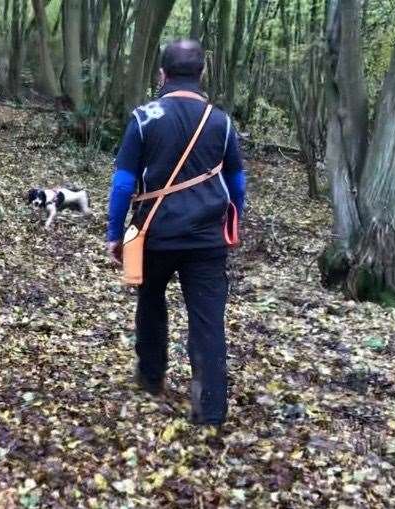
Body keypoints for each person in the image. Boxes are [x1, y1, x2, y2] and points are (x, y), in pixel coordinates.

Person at [106, 39, 246, 428]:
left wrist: (115, 232)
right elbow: (236, 181)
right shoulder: (221, 121)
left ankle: (151, 377)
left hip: (149, 233)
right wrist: (236, 217)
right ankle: (211, 409)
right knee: (208, 320)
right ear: (202, 74)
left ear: (162, 74)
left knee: (149, 300)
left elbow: (122, 185)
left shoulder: (143, 117)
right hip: (206, 240)